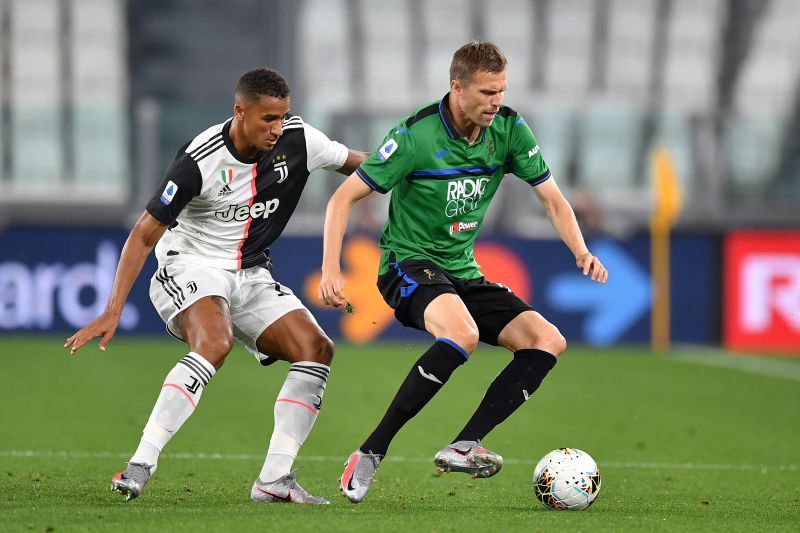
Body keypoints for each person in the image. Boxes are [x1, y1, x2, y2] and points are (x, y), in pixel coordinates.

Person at [318, 41, 608, 503]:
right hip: (406, 265)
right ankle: (371, 452)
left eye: (502, 90)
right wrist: (330, 267)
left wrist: (581, 250)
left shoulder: (510, 129)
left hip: (461, 270)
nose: (497, 101)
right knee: (463, 333)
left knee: (547, 340)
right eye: (488, 91)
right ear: (457, 88)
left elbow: (553, 199)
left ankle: (464, 444)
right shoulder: (415, 136)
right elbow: (341, 198)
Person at [65, 67, 368, 505]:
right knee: (215, 343)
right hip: (190, 265)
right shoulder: (199, 160)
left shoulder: (299, 140)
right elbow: (144, 235)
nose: (277, 128)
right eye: (267, 119)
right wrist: (113, 309)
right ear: (240, 111)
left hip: (251, 273)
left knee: (316, 349)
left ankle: (274, 478)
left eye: (283, 117)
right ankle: (141, 463)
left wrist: (418, 166)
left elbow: (363, 165)